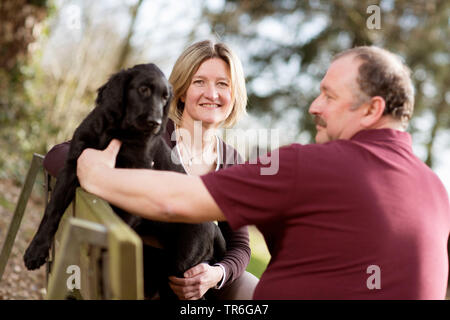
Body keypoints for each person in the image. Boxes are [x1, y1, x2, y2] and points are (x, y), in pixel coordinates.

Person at [76, 46, 450, 299]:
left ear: (371, 110)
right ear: (181, 92)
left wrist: (97, 175)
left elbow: (176, 201)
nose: (314, 107)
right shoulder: (436, 190)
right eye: (200, 83)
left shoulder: (306, 166)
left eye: (329, 97)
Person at [43, 40, 259, 300]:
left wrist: (216, 274)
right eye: (199, 82)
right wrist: (95, 169)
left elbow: (240, 245)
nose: (211, 94)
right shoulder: (147, 129)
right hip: (133, 265)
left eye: (222, 84)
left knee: (252, 289)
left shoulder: (232, 161)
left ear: (234, 94)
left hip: (196, 279)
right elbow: (58, 154)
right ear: (180, 91)